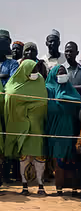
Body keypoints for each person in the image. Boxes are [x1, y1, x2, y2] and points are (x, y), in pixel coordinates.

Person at [4, 58, 48, 193]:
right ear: (25, 71)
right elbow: (10, 96)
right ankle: (24, 186)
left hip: (37, 126)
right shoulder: (15, 83)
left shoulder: (40, 80)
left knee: (39, 157)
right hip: (22, 126)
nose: (35, 72)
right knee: (24, 157)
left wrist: (30, 104)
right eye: (32, 70)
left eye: (36, 70)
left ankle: (40, 185)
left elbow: (43, 100)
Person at [45, 61, 81, 195]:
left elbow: (79, 104)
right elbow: (48, 108)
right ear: (53, 75)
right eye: (59, 73)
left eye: (64, 73)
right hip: (56, 130)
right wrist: (61, 104)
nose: (62, 75)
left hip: (72, 129)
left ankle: (74, 189)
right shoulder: (48, 89)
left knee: (73, 161)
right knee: (59, 162)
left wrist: (63, 102)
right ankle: (59, 189)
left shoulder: (70, 89)